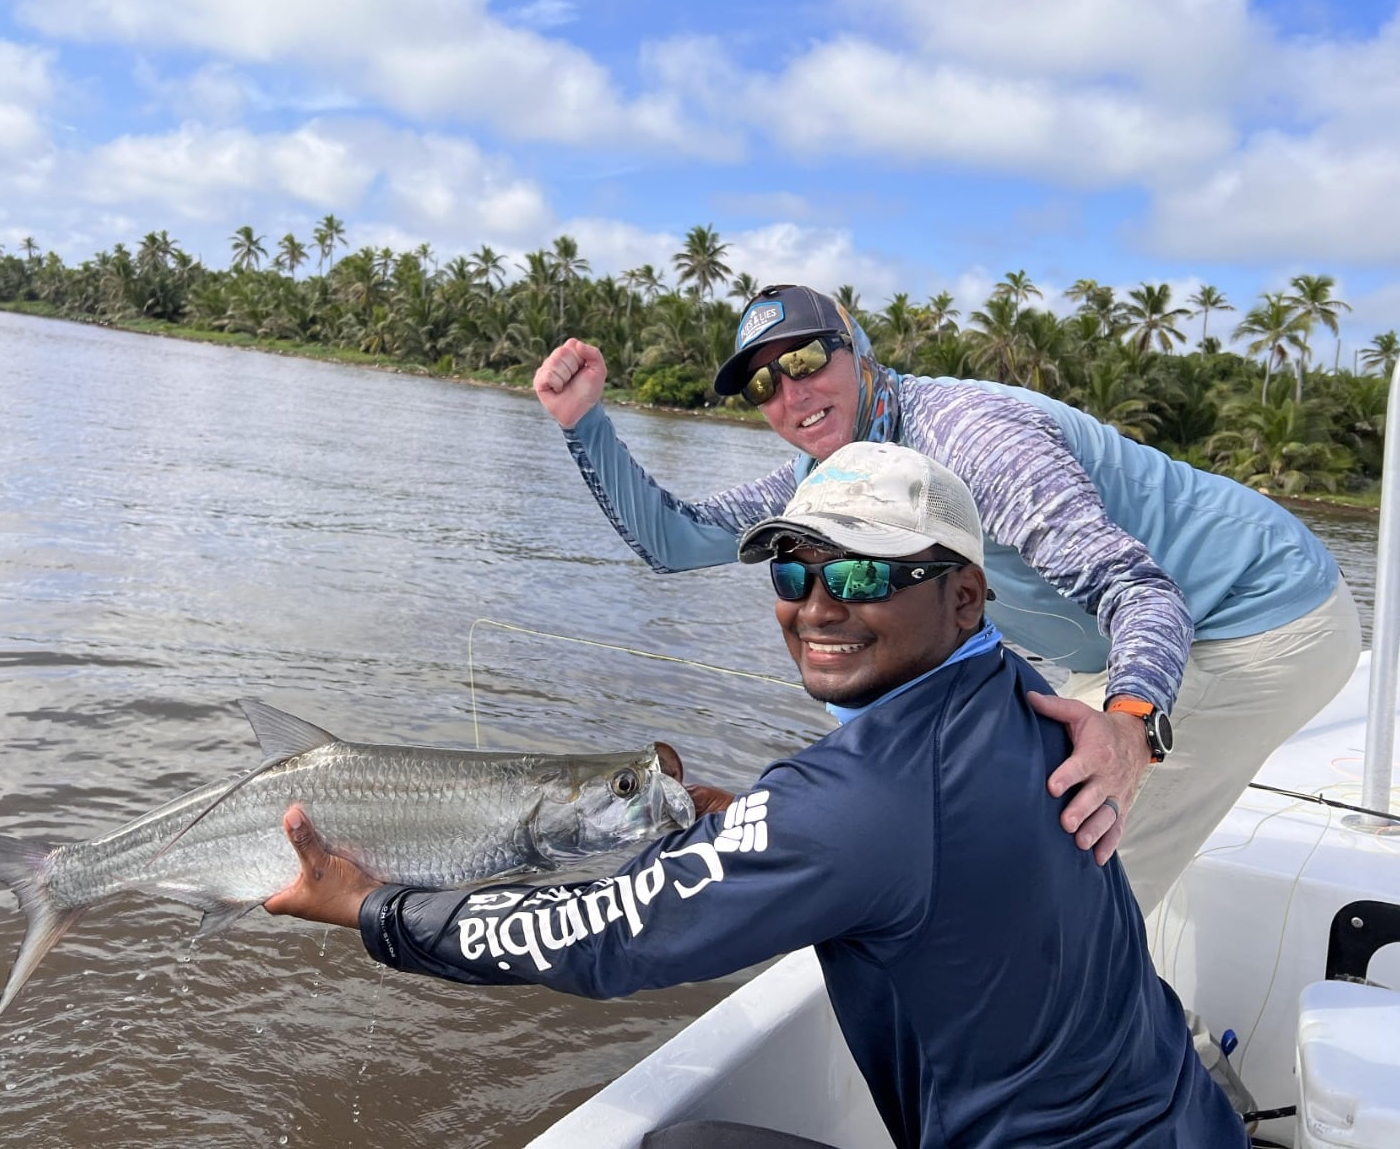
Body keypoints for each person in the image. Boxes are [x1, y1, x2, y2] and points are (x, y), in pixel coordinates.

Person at [265, 443, 1249, 1149]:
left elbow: (596, 937)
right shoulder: (1030, 702)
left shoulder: (861, 800)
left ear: (962, 597)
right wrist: (732, 820)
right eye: (793, 565)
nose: (817, 605)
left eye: (864, 570)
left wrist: (370, 907)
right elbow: (892, 849)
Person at [530, 284, 1360, 914]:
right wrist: (583, 424)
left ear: (857, 347)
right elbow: (677, 542)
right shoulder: (826, 477)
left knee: (1071, 861)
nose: (791, 395)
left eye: (808, 361)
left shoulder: (975, 443)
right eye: (762, 386)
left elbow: (1141, 592)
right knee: (1009, 824)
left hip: (1255, 617)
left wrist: (1132, 730)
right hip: (1112, 648)